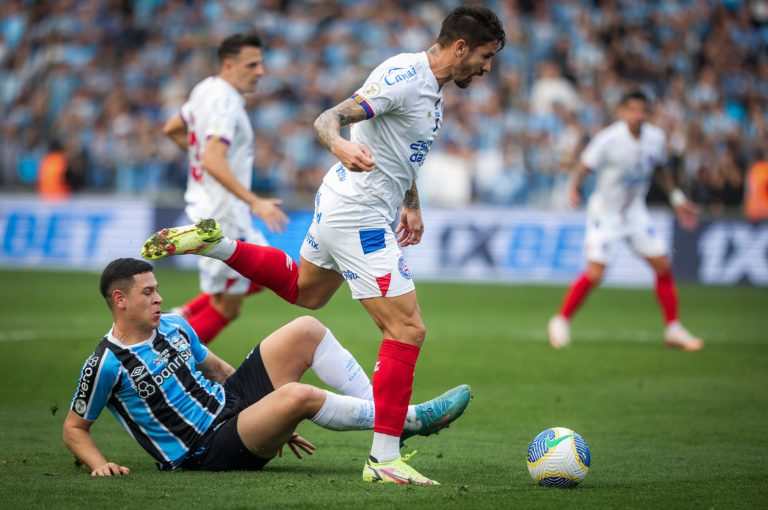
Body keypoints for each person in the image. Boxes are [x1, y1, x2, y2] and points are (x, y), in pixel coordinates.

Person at [141, 6, 505, 485]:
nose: (486, 67)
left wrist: (410, 202)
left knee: (306, 292)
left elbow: (402, 154)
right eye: (484, 55)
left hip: (353, 204)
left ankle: (215, 245)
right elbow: (328, 118)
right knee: (407, 329)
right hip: (358, 213)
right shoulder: (403, 76)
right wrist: (339, 144)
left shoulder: (433, 92)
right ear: (460, 47)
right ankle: (384, 459)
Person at [62, 258, 471, 480]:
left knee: (306, 329)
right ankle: (408, 420)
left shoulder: (171, 325)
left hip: (233, 408)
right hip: (204, 452)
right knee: (297, 396)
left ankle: (386, 422)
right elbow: (74, 428)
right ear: (119, 299)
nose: (158, 298)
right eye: (148, 292)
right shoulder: (105, 363)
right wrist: (99, 464)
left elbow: (218, 369)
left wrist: (269, 420)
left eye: (157, 289)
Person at [547, 91, 703, 351]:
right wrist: (574, 187)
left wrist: (676, 198)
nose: (638, 115)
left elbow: (660, 168)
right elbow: (585, 165)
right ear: (622, 111)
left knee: (663, 265)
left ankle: (673, 328)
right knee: (596, 273)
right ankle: (560, 320)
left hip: (634, 213)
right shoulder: (608, 140)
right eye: (632, 110)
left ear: (648, 113)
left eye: (643, 110)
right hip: (605, 215)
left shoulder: (656, 138)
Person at [161, 32, 289, 344]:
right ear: (229, 65)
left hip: (212, 208)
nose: (260, 72)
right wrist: (254, 200)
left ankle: (180, 316)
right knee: (227, 307)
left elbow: (173, 129)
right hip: (223, 215)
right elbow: (213, 159)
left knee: (257, 278)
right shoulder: (225, 103)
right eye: (252, 65)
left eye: (261, 64)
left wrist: (200, 161)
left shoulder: (205, 89)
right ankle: (165, 360)